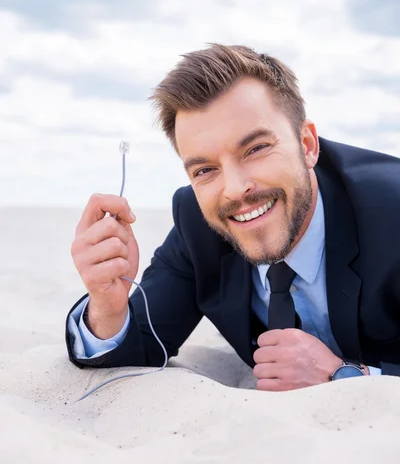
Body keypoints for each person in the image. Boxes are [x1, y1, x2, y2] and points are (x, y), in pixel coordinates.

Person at [66, 44, 400, 391]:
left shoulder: (391, 214)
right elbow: (141, 347)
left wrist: (344, 375)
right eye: (206, 169)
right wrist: (107, 304)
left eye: (255, 149)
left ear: (307, 144)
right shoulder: (198, 223)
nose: (235, 189)